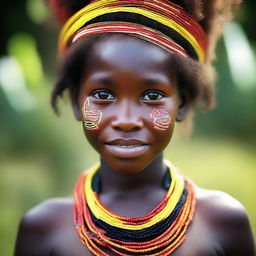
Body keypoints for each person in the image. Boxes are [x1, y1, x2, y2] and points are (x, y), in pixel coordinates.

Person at [15, 0, 255, 255]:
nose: (127, 120)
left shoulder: (223, 222)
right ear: (77, 102)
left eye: (152, 96)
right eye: (103, 95)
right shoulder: (43, 228)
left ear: (181, 103)